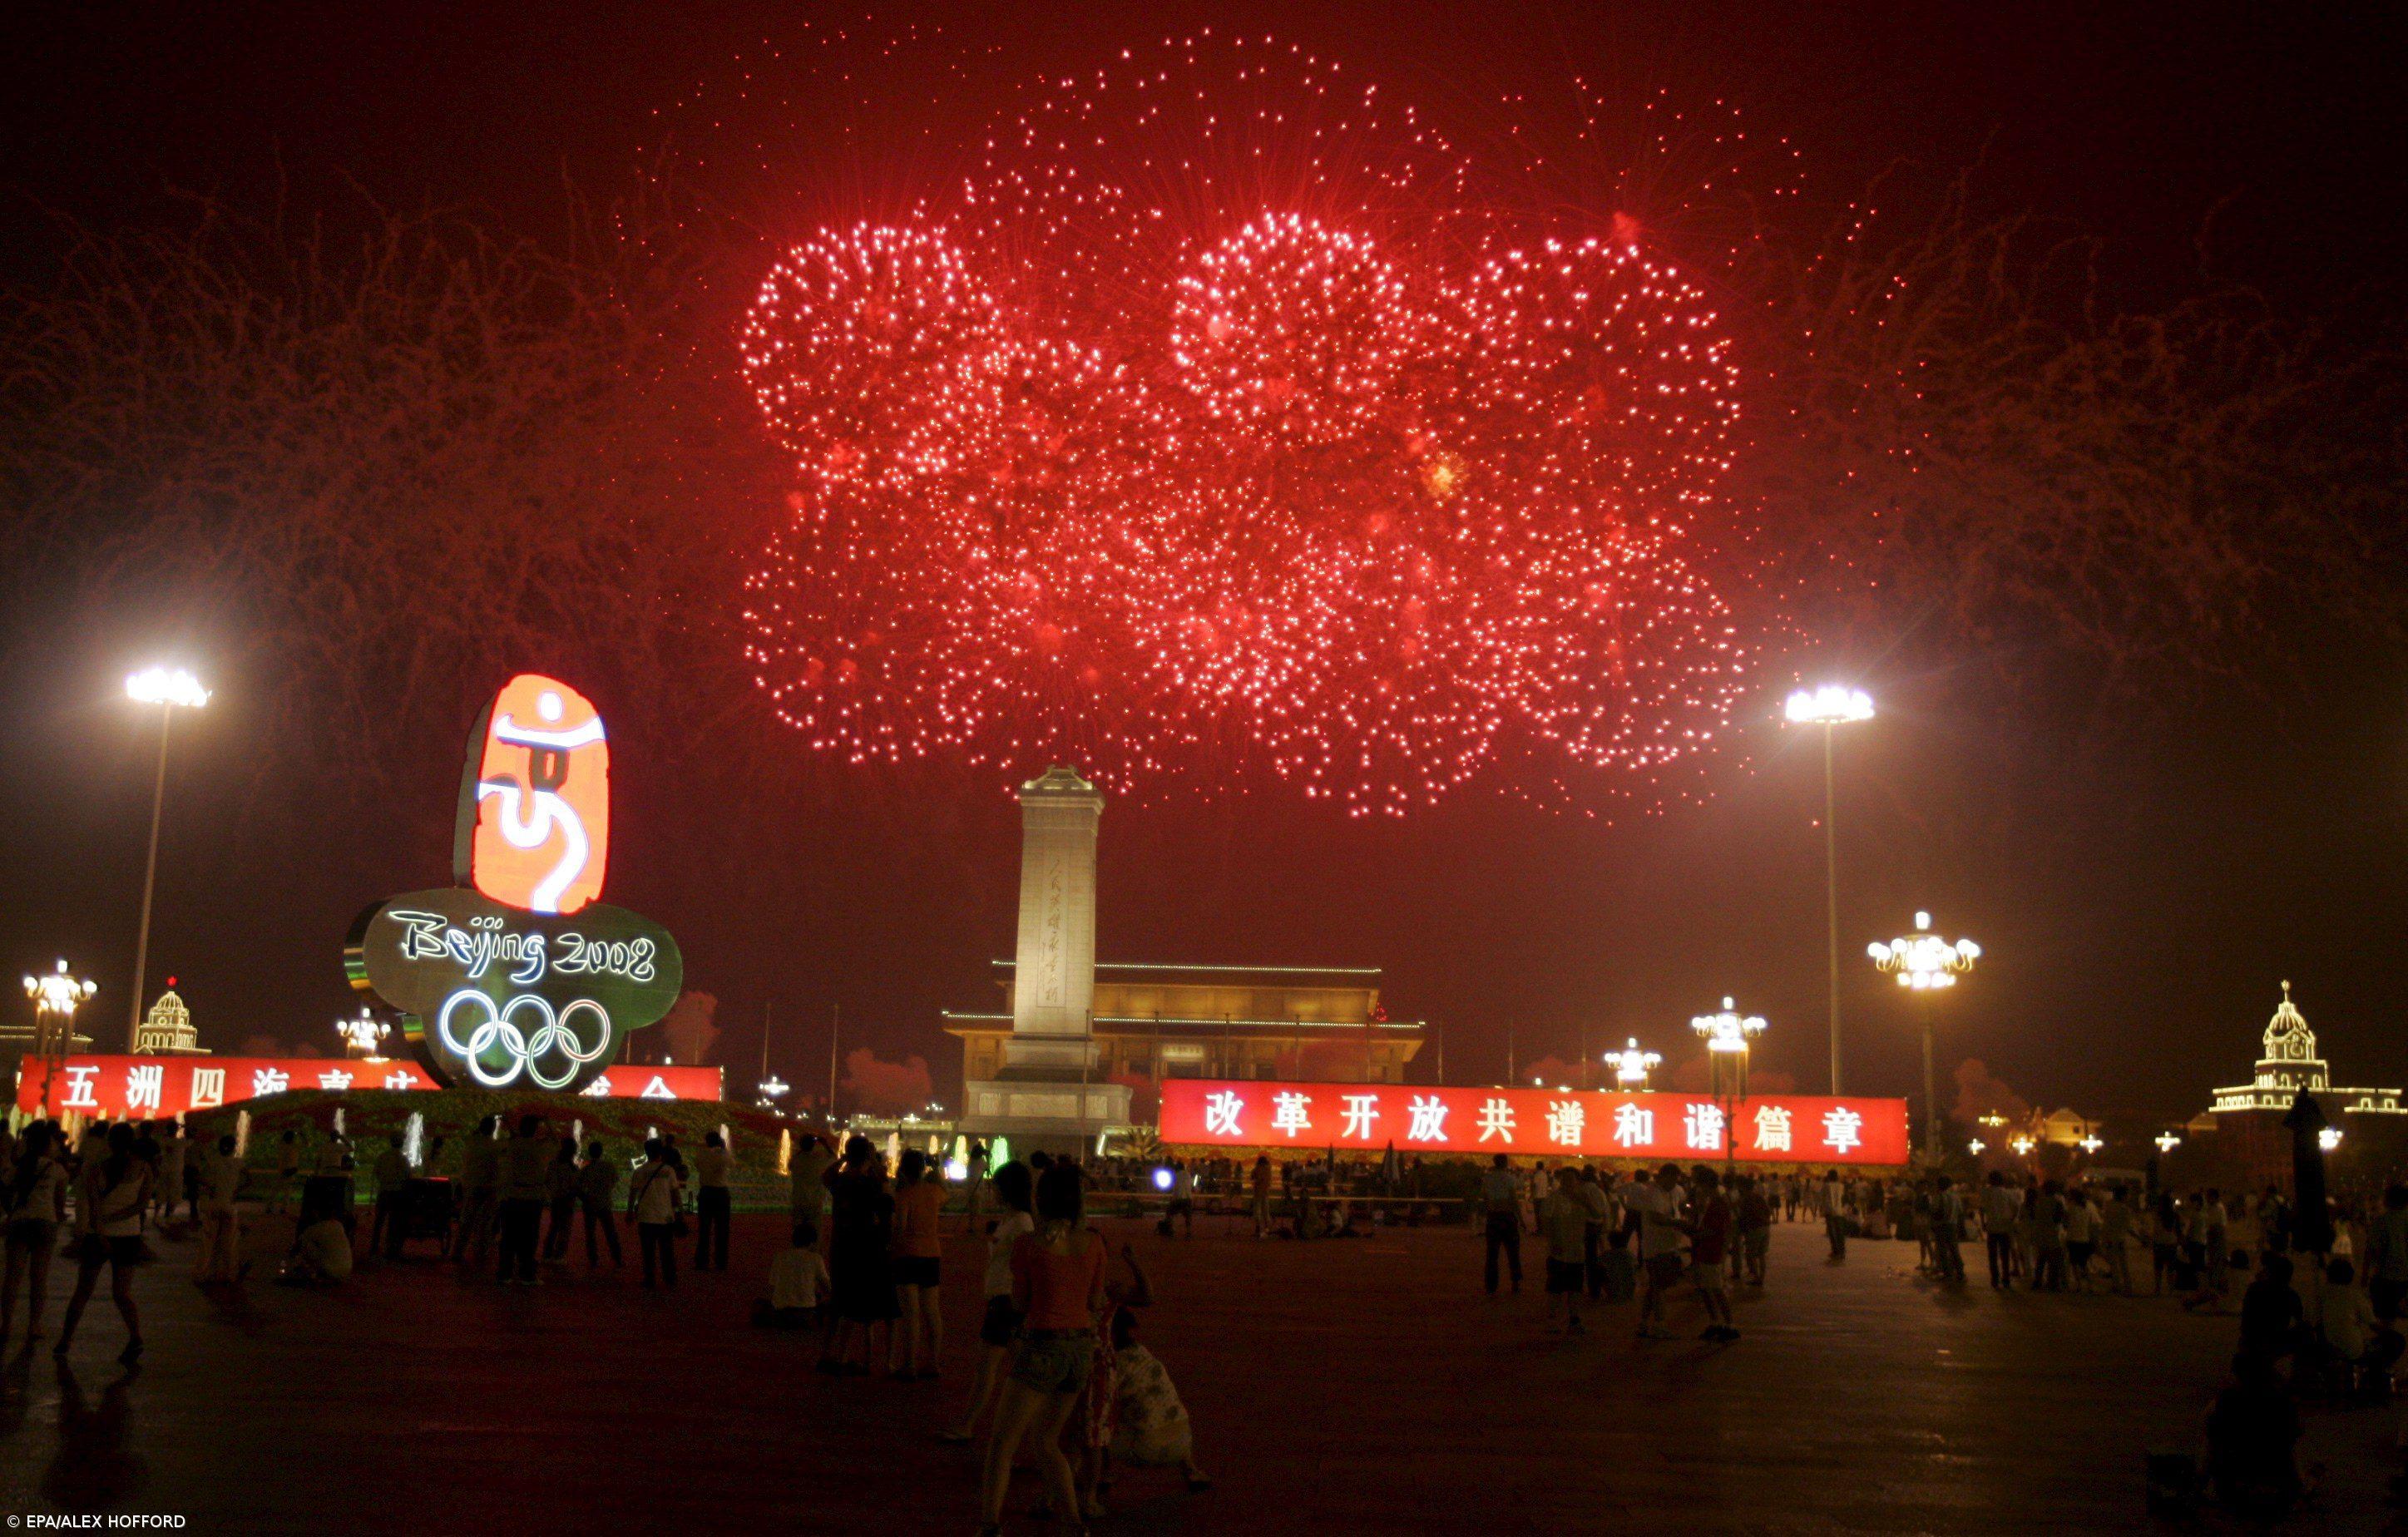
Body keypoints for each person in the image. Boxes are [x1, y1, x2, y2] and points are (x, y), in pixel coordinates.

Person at [977, 1164, 1106, 1536]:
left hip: (1042, 1344)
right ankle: (1073, 1523)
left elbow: (1021, 1303)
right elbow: (1096, 1299)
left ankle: (989, 1525)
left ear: (1041, 1200)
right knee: (1047, 1440)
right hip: (1079, 1349)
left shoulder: (1028, 1246)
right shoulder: (1095, 1242)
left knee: (1003, 1442)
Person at [945, 1159, 1036, 1445]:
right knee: (1023, 1371)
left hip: (1006, 1300)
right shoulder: (1012, 1219)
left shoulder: (1021, 1222)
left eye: (995, 1185)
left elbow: (1025, 1264)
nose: (991, 1190)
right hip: (1001, 1298)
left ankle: (968, 1425)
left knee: (991, 1369)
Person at [54, 1124, 151, 1366]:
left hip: (97, 1237)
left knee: (83, 1291)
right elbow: (141, 1206)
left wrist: (101, 1232)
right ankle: (135, 1337)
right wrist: (118, 1219)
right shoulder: (143, 1169)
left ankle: (65, 1340)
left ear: (110, 1143)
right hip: (129, 1236)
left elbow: (94, 1206)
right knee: (122, 1293)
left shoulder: (98, 1169)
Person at [1105, 1306, 1212, 1495]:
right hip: (1183, 1440)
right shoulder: (1143, 1353)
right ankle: (1191, 1470)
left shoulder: (1114, 1364)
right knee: (1164, 1408)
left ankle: (1098, 1475)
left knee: (1092, 1429)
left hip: (1146, 1448)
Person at [821, 1137, 897, 1374]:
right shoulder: (871, 1183)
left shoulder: (841, 1181)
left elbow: (827, 1175)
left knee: (839, 1303)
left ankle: (827, 1354)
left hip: (841, 1246)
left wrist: (843, 1158)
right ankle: (868, 1359)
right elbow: (887, 1194)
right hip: (866, 1247)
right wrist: (874, 1162)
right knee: (865, 1306)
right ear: (867, 1157)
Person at [2205, 1351, 2304, 1518]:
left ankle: (2212, 1485)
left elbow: (2213, 1439)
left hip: (2232, 1490)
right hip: (2280, 1490)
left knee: (2212, 1429)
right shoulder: (2283, 1402)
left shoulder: (2227, 1401)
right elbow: (2293, 1440)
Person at [1, 1123, 70, 1342]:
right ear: (48, 1144)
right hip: (45, 1224)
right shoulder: (56, 1170)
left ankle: (6, 1325)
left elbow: (4, 1190)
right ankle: (35, 1325)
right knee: (39, 1279)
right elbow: (60, 1204)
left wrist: (11, 1211)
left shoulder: (19, 1167)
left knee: (12, 1277)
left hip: (20, 1223)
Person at [891, 1147, 946, 1377]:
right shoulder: (935, 1192)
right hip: (932, 1254)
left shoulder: (904, 1196)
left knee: (911, 1314)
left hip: (909, 1255)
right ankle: (933, 1363)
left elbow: (900, 1228)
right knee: (932, 1312)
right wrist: (936, 1166)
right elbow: (944, 1188)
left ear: (903, 1170)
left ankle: (910, 1364)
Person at [1626, 1163, 1689, 1340]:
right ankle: (1660, 1325)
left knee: (1655, 1287)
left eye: (1676, 1180)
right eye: (1671, 1180)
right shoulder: (1652, 1193)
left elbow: (1683, 1205)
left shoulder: (1675, 1190)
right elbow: (1656, 1218)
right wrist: (1679, 1224)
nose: (1674, 1184)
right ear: (1662, 1177)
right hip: (1656, 1247)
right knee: (1659, 1287)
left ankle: (1644, 1323)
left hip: (1669, 1245)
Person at [495, 1114, 551, 1285]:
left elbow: (512, 1142)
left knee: (509, 1236)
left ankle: (505, 1273)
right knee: (529, 1237)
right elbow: (554, 1141)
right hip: (532, 1197)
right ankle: (527, 1273)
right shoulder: (539, 1147)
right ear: (535, 1129)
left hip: (511, 1196)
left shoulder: (511, 1145)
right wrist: (547, 1123)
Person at [1535, 1167, 1590, 1335]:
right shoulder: (1554, 1199)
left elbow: (1597, 1213)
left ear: (1577, 1181)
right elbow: (1545, 1222)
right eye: (1565, 1179)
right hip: (1558, 1251)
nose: (1567, 1182)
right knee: (1555, 1288)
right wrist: (1552, 1242)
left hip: (1577, 1251)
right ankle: (1552, 1320)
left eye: (1571, 1179)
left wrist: (1584, 1202)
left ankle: (1574, 1321)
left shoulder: (1582, 1199)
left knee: (1575, 1289)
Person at [1689, 1168, 1738, 1342]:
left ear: (1704, 1184)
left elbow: (1716, 1230)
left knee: (1716, 1289)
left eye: (1696, 1182)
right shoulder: (1712, 1200)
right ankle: (1715, 1322)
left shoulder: (1718, 1202)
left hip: (1711, 1250)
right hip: (1706, 1249)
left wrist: (1694, 1233)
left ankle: (1730, 1325)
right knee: (1705, 1288)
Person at [628, 1138, 685, 1289]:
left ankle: (649, 1278)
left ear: (646, 1152)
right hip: (665, 1216)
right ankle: (670, 1278)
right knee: (667, 1250)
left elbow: (633, 1193)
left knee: (648, 1251)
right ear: (661, 1152)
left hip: (646, 1216)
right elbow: (675, 1194)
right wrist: (680, 1212)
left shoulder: (640, 1171)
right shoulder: (668, 1170)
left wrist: (629, 1212)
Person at [753, 1221, 831, 1328]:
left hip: (781, 1313)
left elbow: (772, 1286)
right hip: (806, 1313)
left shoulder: (780, 1257)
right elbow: (827, 1287)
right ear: (812, 1242)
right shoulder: (816, 1258)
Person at [194, 1133, 245, 1284]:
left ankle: (202, 1273)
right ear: (234, 1148)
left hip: (213, 1206)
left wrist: (210, 1187)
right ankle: (229, 1274)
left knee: (208, 1242)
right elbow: (249, 1180)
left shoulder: (212, 1162)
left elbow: (200, 1178)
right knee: (229, 1243)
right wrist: (236, 1191)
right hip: (229, 1207)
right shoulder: (238, 1163)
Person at [2237, 1253, 2303, 1366]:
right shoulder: (2291, 1295)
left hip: (2252, 1340)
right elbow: (2300, 1319)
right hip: (2275, 1341)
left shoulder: (2254, 1288)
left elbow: (2246, 1320)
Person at [454, 1115, 501, 1267]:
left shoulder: (471, 1142)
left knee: (466, 1220)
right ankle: (480, 1252)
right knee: (485, 1223)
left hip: (470, 1185)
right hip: (487, 1187)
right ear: (493, 1129)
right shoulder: (494, 1146)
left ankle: (458, 1251)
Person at [1479, 1154, 1522, 1296]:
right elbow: (1514, 1200)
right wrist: (1520, 1219)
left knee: (1492, 1254)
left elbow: (1485, 1198)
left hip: (1493, 1217)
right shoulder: (1510, 1179)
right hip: (1507, 1217)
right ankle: (1515, 1282)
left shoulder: (1487, 1178)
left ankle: (1491, 1286)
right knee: (1513, 1252)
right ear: (1506, 1163)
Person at [2364, 1184, 2408, 1323]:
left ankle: (2387, 1341)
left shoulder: (2381, 1221)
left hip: (2385, 1276)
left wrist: (2364, 1274)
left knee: (2385, 1318)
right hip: (2405, 1277)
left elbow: (2372, 1249)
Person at [576, 1139, 623, 1268]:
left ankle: (593, 1260)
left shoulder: (586, 1169)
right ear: (601, 1152)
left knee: (590, 1234)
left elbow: (578, 1186)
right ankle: (617, 1258)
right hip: (605, 1203)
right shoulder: (609, 1167)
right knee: (611, 1232)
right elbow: (614, 1181)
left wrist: (585, 1198)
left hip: (590, 1204)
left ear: (590, 1153)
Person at [693, 1130, 733, 1272]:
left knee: (704, 1229)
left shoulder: (701, 1154)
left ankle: (702, 1261)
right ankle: (721, 1262)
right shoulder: (724, 1155)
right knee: (722, 1230)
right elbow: (732, 1163)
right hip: (721, 1193)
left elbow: (697, 1166)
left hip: (706, 1192)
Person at [279, 1215, 356, 1286]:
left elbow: (297, 1247)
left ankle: (312, 1272)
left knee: (306, 1244)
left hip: (330, 1269)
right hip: (346, 1269)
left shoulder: (312, 1229)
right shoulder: (338, 1225)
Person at [369, 1131, 411, 1260]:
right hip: (397, 1194)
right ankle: (390, 1248)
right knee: (393, 1222)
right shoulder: (403, 1159)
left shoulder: (383, 1157)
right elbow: (407, 1176)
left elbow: (376, 1172)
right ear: (401, 1143)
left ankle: (374, 1246)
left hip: (384, 1191)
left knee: (379, 1221)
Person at [541, 1134, 581, 1261]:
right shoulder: (572, 1168)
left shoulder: (553, 1164)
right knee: (564, 1230)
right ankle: (559, 1255)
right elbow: (575, 1186)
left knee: (554, 1227)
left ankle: (547, 1254)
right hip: (567, 1200)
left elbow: (546, 1180)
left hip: (556, 1199)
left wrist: (552, 1192)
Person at [790, 1132, 836, 1241]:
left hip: (799, 1200)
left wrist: (803, 1146)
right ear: (814, 1145)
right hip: (815, 1201)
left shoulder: (797, 1161)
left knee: (797, 1230)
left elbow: (790, 1163)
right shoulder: (819, 1161)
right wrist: (825, 1144)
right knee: (815, 1231)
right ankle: (814, 1253)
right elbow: (833, 1157)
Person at [1734, 1174, 1773, 1289]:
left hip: (1754, 1229)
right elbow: (1768, 1210)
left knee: (1750, 1254)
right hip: (1765, 1227)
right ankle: (1761, 1278)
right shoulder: (1758, 1197)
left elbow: (1744, 1215)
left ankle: (1755, 1276)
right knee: (1761, 1254)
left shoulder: (1746, 1199)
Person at [1819, 1169, 1848, 1261]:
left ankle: (1835, 1251)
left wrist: (1822, 1210)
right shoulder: (1841, 1186)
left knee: (1832, 1232)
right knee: (1840, 1232)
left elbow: (1822, 1198)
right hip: (1839, 1210)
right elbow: (1843, 1198)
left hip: (1829, 1210)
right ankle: (1842, 1251)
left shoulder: (1826, 1186)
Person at [1250, 1154, 1274, 1239]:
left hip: (1258, 1192)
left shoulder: (1257, 1169)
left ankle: (1258, 1228)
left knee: (1257, 1211)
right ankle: (1267, 1229)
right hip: (1265, 1193)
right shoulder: (1269, 1169)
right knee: (1266, 1212)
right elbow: (1269, 1181)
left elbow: (1252, 1176)